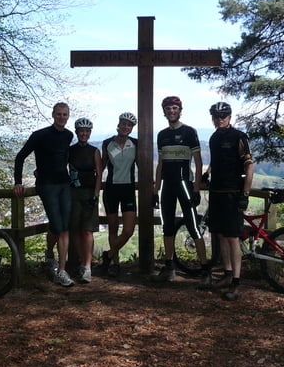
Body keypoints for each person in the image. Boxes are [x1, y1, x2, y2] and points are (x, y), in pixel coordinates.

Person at [14, 102, 75, 287]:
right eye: (59, 114)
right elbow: (20, 156)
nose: (62, 117)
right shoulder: (40, 135)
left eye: (65, 114)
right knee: (56, 226)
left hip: (64, 184)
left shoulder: (68, 135)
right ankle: (50, 255)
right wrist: (18, 182)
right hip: (47, 185)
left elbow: (63, 158)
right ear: (53, 114)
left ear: (68, 116)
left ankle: (61, 271)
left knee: (65, 227)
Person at [152, 96, 210, 284]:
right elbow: (160, 164)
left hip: (184, 184)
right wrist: (156, 190)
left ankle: (204, 270)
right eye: (168, 109)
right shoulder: (161, 135)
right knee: (167, 227)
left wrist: (196, 189)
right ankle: (169, 267)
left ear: (180, 110)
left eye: (175, 108)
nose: (171, 112)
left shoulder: (189, 132)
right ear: (164, 112)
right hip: (167, 186)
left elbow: (199, 162)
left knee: (193, 226)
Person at [206, 101, 253, 301]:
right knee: (220, 235)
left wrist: (245, 195)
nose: (219, 119)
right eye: (216, 116)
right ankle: (226, 274)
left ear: (230, 116)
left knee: (233, 237)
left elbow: (249, 167)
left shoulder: (239, 137)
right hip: (216, 191)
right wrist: (205, 174)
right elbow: (216, 162)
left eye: (223, 116)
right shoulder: (214, 137)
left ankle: (235, 281)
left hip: (233, 192)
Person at [100, 112, 138, 277]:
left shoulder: (136, 143)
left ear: (131, 128)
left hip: (128, 189)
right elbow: (101, 165)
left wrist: (152, 185)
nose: (125, 127)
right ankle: (115, 264)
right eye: (123, 123)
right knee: (113, 228)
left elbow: (142, 165)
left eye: (129, 125)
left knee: (129, 230)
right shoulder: (107, 143)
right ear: (119, 124)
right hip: (111, 189)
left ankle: (108, 255)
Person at [68, 118, 103, 284]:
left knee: (88, 231)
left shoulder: (94, 151)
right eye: (81, 131)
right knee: (75, 230)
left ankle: (88, 267)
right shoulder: (70, 151)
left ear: (90, 133)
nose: (84, 133)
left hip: (89, 193)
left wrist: (96, 195)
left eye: (87, 131)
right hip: (73, 193)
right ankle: (82, 262)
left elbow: (99, 173)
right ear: (77, 132)